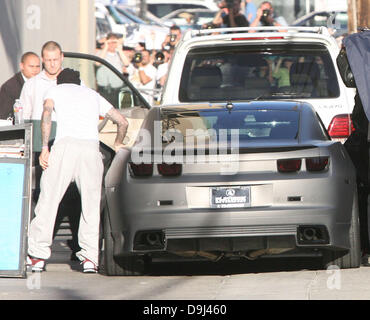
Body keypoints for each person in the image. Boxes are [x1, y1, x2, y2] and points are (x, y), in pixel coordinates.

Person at [26, 68, 129, 273]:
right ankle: (90, 258)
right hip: (91, 150)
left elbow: (46, 113)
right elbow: (122, 121)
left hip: (64, 147)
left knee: (48, 201)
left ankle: (37, 256)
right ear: (79, 82)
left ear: (59, 82)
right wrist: (117, 143)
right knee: (90, 206)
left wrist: (44, 148)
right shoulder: (92, 94)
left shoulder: (55, 91)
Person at [0, 52, 40, 120]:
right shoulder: (9, 87)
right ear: (22, 66)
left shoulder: (40, 83)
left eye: (37, 66)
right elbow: (3, 116)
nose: (35, 70)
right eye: (31, 66)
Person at [96, 33, 131, 107]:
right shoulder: (101, 53)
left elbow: (126, 63)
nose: (112, 45)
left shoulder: (119, 54)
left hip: (117, 89)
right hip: (104, 89)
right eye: (110, 43)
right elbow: (97, 63)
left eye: (114, 42)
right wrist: (106, 46)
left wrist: (119, 49)